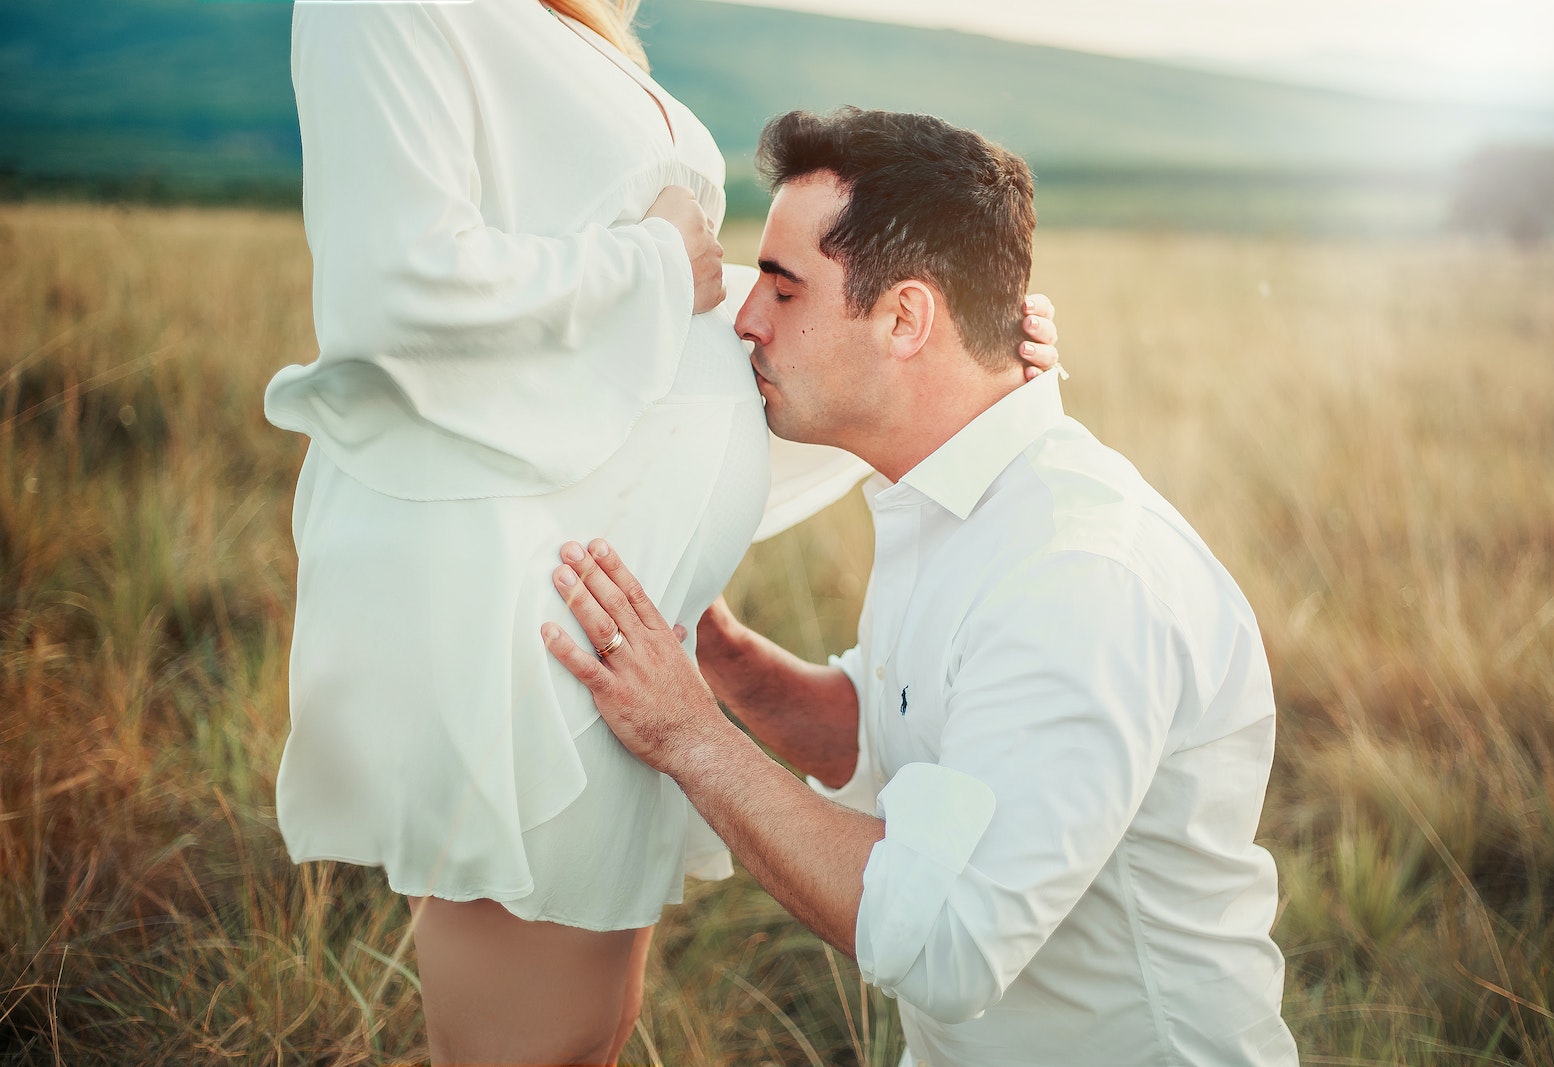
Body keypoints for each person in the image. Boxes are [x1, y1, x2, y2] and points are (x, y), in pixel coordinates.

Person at [261, 3, 1058, 1064]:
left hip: (621, 609)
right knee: (528, 1040)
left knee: (586, 1026)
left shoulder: (568, 30)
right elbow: (392, 287)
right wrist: (645, 262)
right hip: (527, 605)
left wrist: (959, 360)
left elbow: (654, 363)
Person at [543, 107, 1300, 1067]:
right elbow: (895, 735)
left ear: (906, 317)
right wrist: (717, 656)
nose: (744, 317)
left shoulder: (1076, 576)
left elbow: (945, 941)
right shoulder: (944, 500)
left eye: (781, 287)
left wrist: (688, 735)